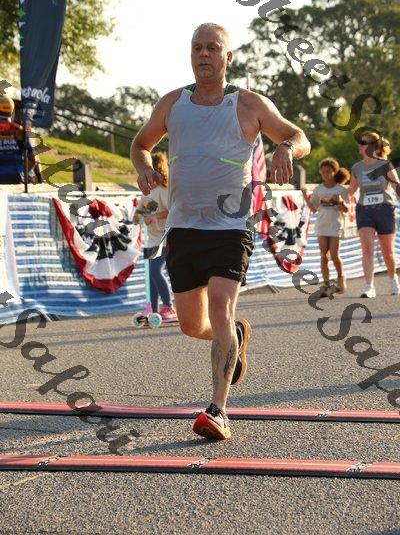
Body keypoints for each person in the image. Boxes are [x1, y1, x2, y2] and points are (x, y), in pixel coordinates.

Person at [131, 23, 310, 440]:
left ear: (228, 57)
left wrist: (285, 148)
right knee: (193, 325)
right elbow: (141, 144)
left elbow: (298, 136)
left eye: (213, 48)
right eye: (197, 47)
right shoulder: (173, 103)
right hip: (183, 227)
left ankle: (218, 410)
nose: (204, 54)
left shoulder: (248, 103)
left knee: (221, 306)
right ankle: (236, 336)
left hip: (231, 226)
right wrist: (144, 168)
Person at [348, 131, 400, 298]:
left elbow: (397, 187)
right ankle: (369, 286)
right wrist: (336, 195)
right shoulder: (356, 168)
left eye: (364, 142)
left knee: (387, 252)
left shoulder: (385, 165)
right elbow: (351, 191)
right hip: (364, 210)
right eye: (360, 142)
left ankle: (393, 278)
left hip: (384, 209)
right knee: (367, 248)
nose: (361, 145)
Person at [134, 152, 177, 321]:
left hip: (165, 237)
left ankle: (168, 306)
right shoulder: (150, 192)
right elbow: (139, 216)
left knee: (155, 270)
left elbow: (171, 211)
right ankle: (151, 308)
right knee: (151, 275)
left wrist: (154, 217)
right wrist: (142, 217)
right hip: (151, 238)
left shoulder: (165, 189)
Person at [302, 158, 349, 297]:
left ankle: (341, 279)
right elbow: (314, 209)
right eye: (323, 172)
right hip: (322, 226)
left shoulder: (341, 189)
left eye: (328, 171)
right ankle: (326, 284)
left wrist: (340, 203)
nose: (326, 174)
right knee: (323, 255)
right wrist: (305, 196)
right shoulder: (318, 189)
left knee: (334, 255)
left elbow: (347, 209)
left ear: (335, 172)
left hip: (336, 225)